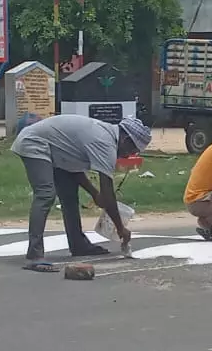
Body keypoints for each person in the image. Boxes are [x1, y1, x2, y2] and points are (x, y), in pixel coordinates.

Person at [12, 113, 153, 270]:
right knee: (45, 194)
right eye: (132, 150)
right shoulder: (105, 143)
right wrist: (121, 228)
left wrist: (94, 193)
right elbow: (108, 194)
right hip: (34, 143)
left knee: (69, 196)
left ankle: (78, 244)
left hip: (55, 151)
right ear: (126, 140)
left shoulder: (105, 135)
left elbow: (74, 170)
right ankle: (34, 255)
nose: (129, 155)